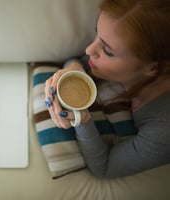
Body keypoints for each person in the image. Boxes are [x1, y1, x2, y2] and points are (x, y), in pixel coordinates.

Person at [45, 0, 170, 178]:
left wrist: (82, 119)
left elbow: (105, 167)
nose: (89, 50)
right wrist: (74, 70)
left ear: (152, 68)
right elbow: (79, 59)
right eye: (97, 34)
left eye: (108, 51)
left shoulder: (164, 129)